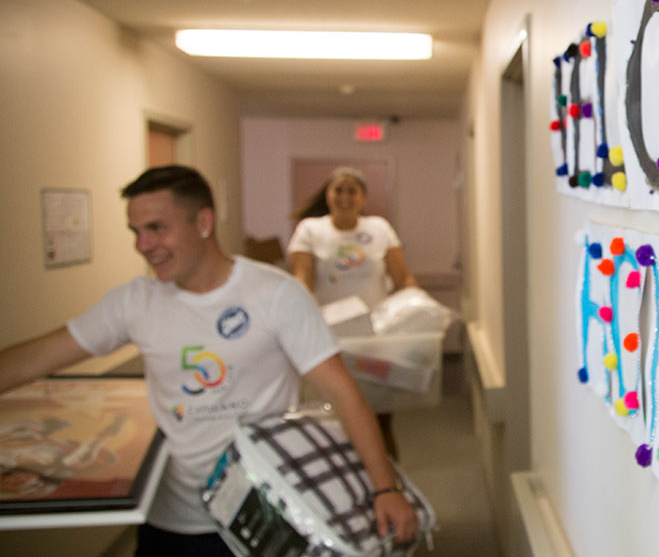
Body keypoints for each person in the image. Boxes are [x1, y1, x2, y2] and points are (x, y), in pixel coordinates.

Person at [0, 166, 417, 556]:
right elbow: (34, 359)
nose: (144, 246)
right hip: (174, 519)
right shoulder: (134, 302)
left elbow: (343, 393)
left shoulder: (275, 295)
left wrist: (385, 489)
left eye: (157, 229)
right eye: (136, 232)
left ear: (203, 223)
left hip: (266, 514)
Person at [287, 166, 418, 458]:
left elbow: (403, 278)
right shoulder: (311, 230)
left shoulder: (379, 228)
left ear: (363, 198)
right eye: (338, 190)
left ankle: (388, 481)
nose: (344, 197)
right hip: (331, 341)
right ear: (328, 195)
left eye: (351, 191)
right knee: (336, 419)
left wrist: (417, 309)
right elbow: (302, 278)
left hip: (375, 341)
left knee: (381, 418)